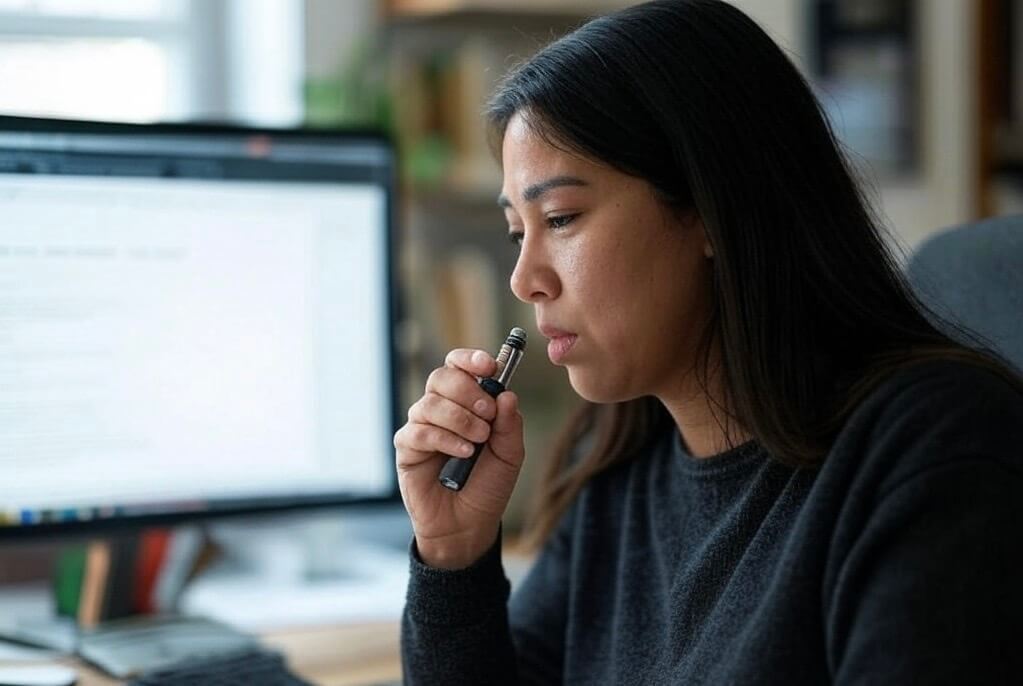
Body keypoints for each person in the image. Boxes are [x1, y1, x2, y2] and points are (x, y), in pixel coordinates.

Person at [392, 1, 1023, 683]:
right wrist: (452, 554)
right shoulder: (616, 460)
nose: (525, 279)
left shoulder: (937, 450)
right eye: (519, 231)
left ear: (710, 210)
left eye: (561, 218)